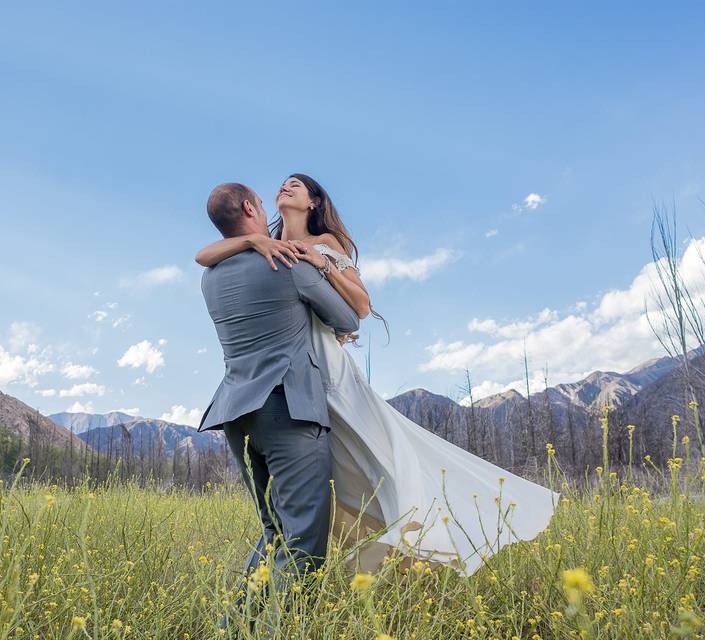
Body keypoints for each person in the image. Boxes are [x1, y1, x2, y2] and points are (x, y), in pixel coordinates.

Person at [197, 174, 559, 578]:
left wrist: (321, 266)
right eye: (278, 188)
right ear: (251, 211)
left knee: (375, 459)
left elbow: (360, 308)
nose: (281, 191)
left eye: (294, 186)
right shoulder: (276, 255)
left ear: (315, 202)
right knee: (304, 517)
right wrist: (257, 242)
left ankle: (410, 521)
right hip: (295, 388)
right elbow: (209, 252)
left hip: (295, 382)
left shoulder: (296, 254)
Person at [197, 182, 359, 630]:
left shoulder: (210, 277)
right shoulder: (285, 262)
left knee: (274, 533)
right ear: (250, 208)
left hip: (235, 413)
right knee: (304, 540)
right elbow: (348, 318)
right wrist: (319, 268)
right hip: (289, 409)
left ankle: (236, 628)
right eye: (261, 203)